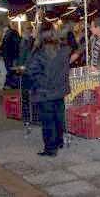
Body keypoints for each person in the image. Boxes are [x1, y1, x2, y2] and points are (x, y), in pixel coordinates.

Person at [25, 22, 70, 157]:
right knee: (58, 118)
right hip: (59, 90)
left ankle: (50, 149)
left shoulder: (39, 52)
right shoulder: (63, 49)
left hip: (45, 92)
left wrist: (42, 83)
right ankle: (59, 142)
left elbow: (31, 70)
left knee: (48, 121)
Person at [2, 25, 21, 89]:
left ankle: (10, 84)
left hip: (10, 56)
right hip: (12, 56)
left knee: (11, 70)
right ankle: (13, 84)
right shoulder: (12, 34)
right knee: (12, 70)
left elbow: (6, 46)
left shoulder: (9, 35)